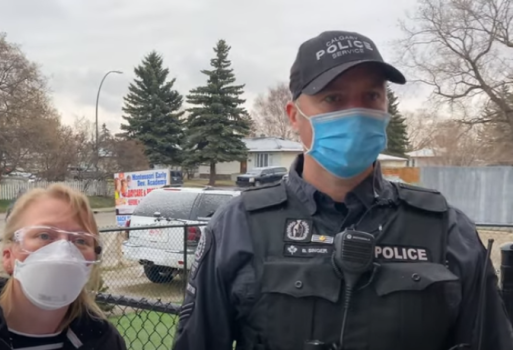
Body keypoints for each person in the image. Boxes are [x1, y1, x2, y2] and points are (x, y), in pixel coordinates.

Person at [172, 30, 513, 350]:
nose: (356, 112)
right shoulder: (236, 227)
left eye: (371, 96)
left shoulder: (448, 231)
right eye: (333, 98)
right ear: (294, 115)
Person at [0, 184, 127, 350]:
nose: (63, 251)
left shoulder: (104, 341)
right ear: (9, 256)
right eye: (44, 235)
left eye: (81, 241)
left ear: (92, 262)